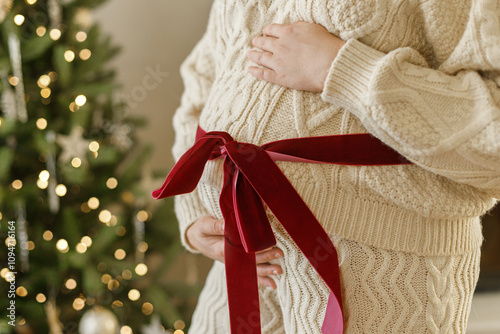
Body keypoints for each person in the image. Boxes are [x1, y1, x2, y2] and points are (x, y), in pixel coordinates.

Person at [169, 0, 500, 333]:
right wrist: (196, 207)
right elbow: (206, 73)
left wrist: (342, 70)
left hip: (379, 269)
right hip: (245, 249)